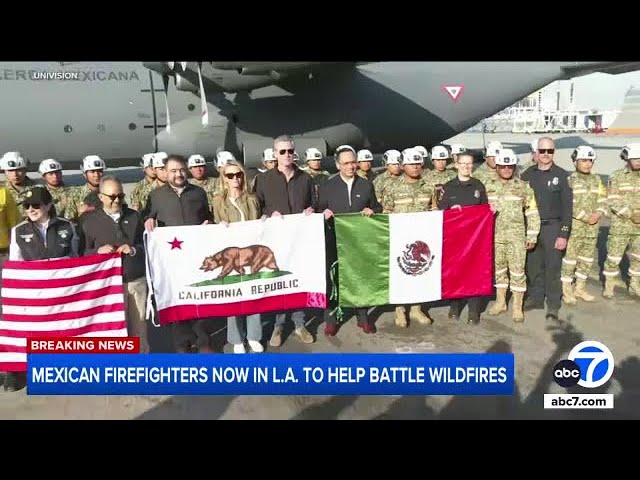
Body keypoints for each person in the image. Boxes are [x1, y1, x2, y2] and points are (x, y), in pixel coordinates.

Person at [6, 186, 78, 391]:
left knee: (64, 331)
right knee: (37, 331)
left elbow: (75, 258)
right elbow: (16, 265)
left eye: (35, 205)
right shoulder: (19, 231)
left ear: (48, 205)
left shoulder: (67, 226)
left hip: (63, 291)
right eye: (26, 206)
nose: (30, 209)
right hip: (36, 292)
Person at [144, 154, 214, 353]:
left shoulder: (198, 193)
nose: (179, 174)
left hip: (196, 255)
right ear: (165, 173)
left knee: (199, 296)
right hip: (171, 258)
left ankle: (204, 341)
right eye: (173, 170)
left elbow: (207, 217)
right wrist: (148, 220)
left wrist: (209, 223)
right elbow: (148, 216)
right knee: (177, 299)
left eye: (182, 170)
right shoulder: (156, 195)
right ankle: (182, 342)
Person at [256, 134, 315, 347]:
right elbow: (259, 207)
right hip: (276, 240)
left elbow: (313, 204)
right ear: (275, 154)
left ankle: (299, 324)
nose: (287, 155)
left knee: (298, 280)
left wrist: (311, 210)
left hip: (299, 239)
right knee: (280, 282)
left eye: (290, 151)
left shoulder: (306, 178)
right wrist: (267, 215)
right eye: (282, 151)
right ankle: (278, 326)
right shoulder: (263, 179)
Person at [317, 144, 382, 336]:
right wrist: (323, 212)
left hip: (359, 241)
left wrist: (373, 211)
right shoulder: (328, 186)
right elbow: (318, 208)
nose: (350, 166)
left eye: (353, 162)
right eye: (345, 163)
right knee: (333, 279)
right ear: (338, 165)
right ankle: (332, 318)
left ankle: (363, 317)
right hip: (334, 240)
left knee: (359, 278)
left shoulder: (366, 184)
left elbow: (377, 207)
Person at [80, 176, 149, 353]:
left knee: (139, 330)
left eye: (120, 196)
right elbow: (81, 254)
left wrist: (133, 250)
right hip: (107, 285)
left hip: (135, 281)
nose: (117, 200)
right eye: (112, 197)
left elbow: (147, 246)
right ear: (101, 196)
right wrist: (97, 252)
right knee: (113, 332)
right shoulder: (88, 221)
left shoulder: (135, 217)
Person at [212, 161, 264, 353]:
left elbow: (257, 222)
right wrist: (219, 225)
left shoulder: (251, 199)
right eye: (230, 175)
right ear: (224, 179)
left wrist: (264, 223)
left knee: (254, 294)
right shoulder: (218, 201)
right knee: (233, 297)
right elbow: (213, 223)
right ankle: (236, 338)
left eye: (238, 174)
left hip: (250, 254)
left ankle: (253, 335)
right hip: (231, 257)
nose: (235, 178)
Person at [484, 148, 540, 322]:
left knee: (517, 272)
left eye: (510, 166)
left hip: (517, 238)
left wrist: (532, 235)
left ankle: (517, 307)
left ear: (514, 167)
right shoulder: (487, 187)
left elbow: (532, 212)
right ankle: (501, 303)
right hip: (495, 237)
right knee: (499, 271)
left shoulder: (523, 187)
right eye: (503, 166)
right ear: (497, 167)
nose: (507, 169)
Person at [382, 147, 435, 327]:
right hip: (400, 239)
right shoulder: (392, 187)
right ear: (403, 165)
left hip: (422, 239)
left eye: (418, 163)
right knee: (400, 273)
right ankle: (399, 309)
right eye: (411, 163)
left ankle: (416, 308)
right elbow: (386, 212)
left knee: (420, 273)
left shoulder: (428, 187)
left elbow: (433, 209)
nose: (415, 167)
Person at [520, 137, 572, 320]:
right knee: (534, 267)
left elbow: (567, 208)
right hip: (533, 229)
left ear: (554, 152)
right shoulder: (527, 175)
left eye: (549, 151)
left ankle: (553, 304)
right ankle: (535, 298)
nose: (546, 155)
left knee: (553, 267)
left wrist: (563, 234)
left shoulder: (562, 176)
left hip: (553, 227)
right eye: (542, 151)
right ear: (536, 153)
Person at [438, 152, 489, 325]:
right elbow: (441, 212)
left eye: (470, 164)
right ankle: (455, 305)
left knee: (474, 272)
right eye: (463, 163)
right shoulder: (448, 186)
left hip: (475, 240)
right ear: (457, 165)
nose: (467, 167)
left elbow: (484, 210)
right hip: (455, 239)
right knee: (456, 272)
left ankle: (474, 309)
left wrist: (491, 211)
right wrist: (452, 210)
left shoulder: (478, 186)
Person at [560, 146, 606, 304]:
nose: (587, 164)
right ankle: (567, 290)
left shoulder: (597, 179)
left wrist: (598, 213)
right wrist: (586, 217)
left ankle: (579, 288)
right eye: (583, 160)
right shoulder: (570, 180)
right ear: (575, 162)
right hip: (576, 228)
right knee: (570, 260)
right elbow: (568, 204)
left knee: (586, 260)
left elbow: (602, 198)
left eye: (589, 160)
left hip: (592, 228)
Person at [602, 144, 640, 298]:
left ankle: (635, 284)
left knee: (638, 258)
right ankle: (609, 285)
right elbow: (612, 199)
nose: (638, 161)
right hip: (621, 226)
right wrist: (630, 214)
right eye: (635, 159)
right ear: (627, 159)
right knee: (613, 257)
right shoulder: (616, 176)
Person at [67, 155, 107, 220]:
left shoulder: (111, 191)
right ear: (85, 174)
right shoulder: (76, 195)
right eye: (92, 171)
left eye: (99, 171)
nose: (96, 175)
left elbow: (121, 209)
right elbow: (69, 219)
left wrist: (92, 208)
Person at [0, 151, 36, 220]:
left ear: (25, 170)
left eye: (19, 170)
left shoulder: (38, 188)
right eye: (11, 170)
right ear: (4, 172)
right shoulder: (1, 191)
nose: (15, 174)